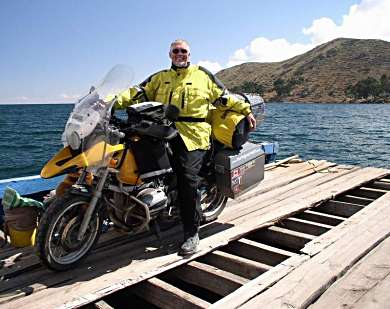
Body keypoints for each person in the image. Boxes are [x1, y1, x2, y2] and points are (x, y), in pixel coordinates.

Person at [115, 39, 256, 255]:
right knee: (137, 160)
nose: (180, 54)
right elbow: (135, 93)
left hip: (194, 134)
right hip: (163, 130)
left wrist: (246, 110)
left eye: (184, 51)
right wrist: (109, 103)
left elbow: (224, 98)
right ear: (169, 54)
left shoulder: (202, 75)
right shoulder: (160, 78)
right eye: (176, 51)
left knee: (187, 179)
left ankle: (191, 233)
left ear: (189, 55)